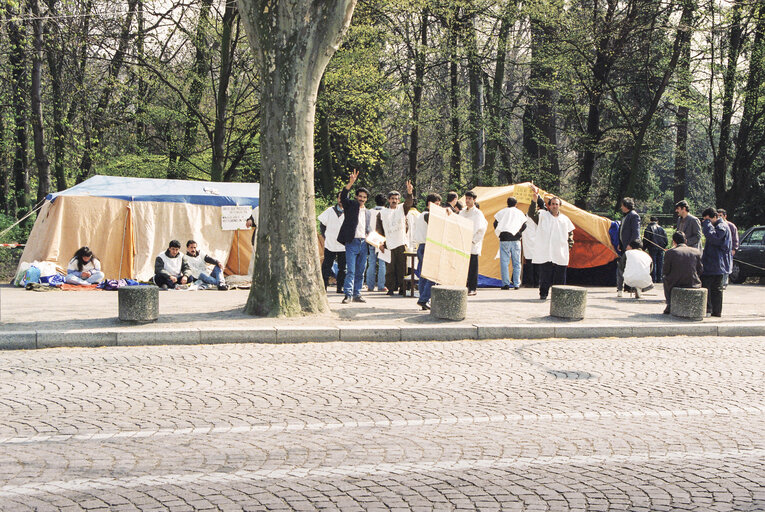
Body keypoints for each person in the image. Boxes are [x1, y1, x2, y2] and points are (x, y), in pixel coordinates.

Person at [528, 184, 575, 300]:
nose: (554, 206)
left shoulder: (565, 219)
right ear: (549, 205)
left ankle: (559, 296)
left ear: (560, 206)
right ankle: (543, 293)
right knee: (545, 274)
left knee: (560, 275)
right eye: (552, 204)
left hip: (560, 251)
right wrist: (534, 200)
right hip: (546, 251)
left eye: (556, 204)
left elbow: (570, 234)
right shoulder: (543, 215)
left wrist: (569, 245)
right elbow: (531, 214)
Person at [337, 170, 370, 304]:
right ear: (356, 197)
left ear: (367, 199)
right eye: (360, 196)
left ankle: (357, 293)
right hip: (352, 242)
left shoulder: (368, 212)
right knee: (350, 270)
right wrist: (350, 183)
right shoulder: (351, 206)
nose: (362, 199)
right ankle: (348, 294)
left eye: (364, 197)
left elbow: (368, 229)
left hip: (364, 243)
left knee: (361, 271)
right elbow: (343, 197)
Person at [377, 181, 414, 296]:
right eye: (392, 198)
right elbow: (378, 229)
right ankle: (391, 288)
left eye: (396, 198)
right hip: (388, 243)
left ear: (399, 200)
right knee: (390, 268)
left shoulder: (402, 209)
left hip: (401, 242)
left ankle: (403, 288)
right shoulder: (382, 213)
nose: (394, 200)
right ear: (388, 200)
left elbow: (408, 203)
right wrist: (380, 243)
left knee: (402, 267)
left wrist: (409, 193)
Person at [413, 193, 442, 310]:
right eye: (437, 204)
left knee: (424, 276)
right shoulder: (427, 215)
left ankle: (423, 300)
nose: (438, 207)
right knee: (432, 276)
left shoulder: (421, 215)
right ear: (430, 204)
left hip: (421, 247)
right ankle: (424, 299)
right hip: (427, 247)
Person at [700, 207, 731, 317]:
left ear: (714, 217)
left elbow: (715, 238)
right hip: (713, 263)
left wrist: (707, 225)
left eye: (708, 219)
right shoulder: (717, 226)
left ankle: (713, 311)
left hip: (716, 264)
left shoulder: (721, 226)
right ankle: (713, 310)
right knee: (712, 288)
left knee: (714, 289)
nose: (706, 222)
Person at [662, 231, 703, 314]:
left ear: (674, 242)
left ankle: (669, 304)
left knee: (665, 278)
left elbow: (666, 271)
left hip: (675, 282)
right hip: (693, 282)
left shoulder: (670, 252)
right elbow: (700, 269)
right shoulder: (696, 251)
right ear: (686, 241)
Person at [493, 196, 527, 290]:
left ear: (507, 203)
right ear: (516, 204)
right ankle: (516, 284)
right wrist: (519, 232)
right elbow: (524, 224)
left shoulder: (502, 212)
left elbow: (495, 223)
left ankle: (505, 284)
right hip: (516, 238)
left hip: (504, 238)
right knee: (516, 262)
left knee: (504, 262)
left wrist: (500, 233)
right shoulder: (519, 212)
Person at [460, 190, 488, 296]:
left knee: (472, 267)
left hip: (472, 243)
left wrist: (474, 240)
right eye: (466, 199)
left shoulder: (478, 213)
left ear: (474, 200)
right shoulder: (462, 212)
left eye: (469, 199)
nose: (467, 201)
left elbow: (482, 228)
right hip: (462, 242)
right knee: (463, 266)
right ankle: (464, 286)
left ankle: (472, 288)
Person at [318, 192, 346, 293]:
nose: (341, 200)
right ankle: (324, 287)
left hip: (343, 245)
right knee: (326, 266)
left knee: (342, 268)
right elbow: (322, 224)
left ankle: (340, 287)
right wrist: (325, 235)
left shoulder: (349, 211)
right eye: (340, 197)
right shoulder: (330, 210)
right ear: (337, 199)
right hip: (330, 243)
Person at [617, 197, 641, 297]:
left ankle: (636, 289)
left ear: (626, 206)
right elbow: (621, 231)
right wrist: (620, 242)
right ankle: (620, 289)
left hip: (630, 247)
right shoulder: (625, 216)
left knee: (632, 268)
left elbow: (636, 233)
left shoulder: (634, 216)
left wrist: (631, 245)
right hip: (624, 246)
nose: (621, 207)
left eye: (622, 205)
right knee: (621, 267)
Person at [365, 194, 387, 292]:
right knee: (382, 263)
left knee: (371, 262)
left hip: (371, 239)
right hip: (382, 240)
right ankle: (381, 286)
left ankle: (370, 286)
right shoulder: (387, 212)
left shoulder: (369, 211)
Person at [717, 208, 739, 289]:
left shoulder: (731, 226)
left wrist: (734, 249)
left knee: (727, 266)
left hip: (728, 250)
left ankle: (724, 283)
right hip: (720, 251)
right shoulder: (716, 225)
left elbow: (735, 239)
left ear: (725, 216)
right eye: (718, 215)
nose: (719, 217)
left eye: (721, 215)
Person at [643, 216, 668, 283]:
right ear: (657, 221)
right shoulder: (662, 229)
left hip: (652, 248)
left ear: (650, 221)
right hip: (660, 248)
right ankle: (659, 279)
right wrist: (663, 246)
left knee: (653, 263)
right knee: (660, 263)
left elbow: (646, 240)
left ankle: (654, 279)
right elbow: (666, 240)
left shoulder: (648, 228)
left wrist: (643, 248)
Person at [245, 206, 259, 276]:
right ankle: (252, 275)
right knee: (255, 257)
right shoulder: (258, 209)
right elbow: (251, 219)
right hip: (257, 236)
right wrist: (250, 221)